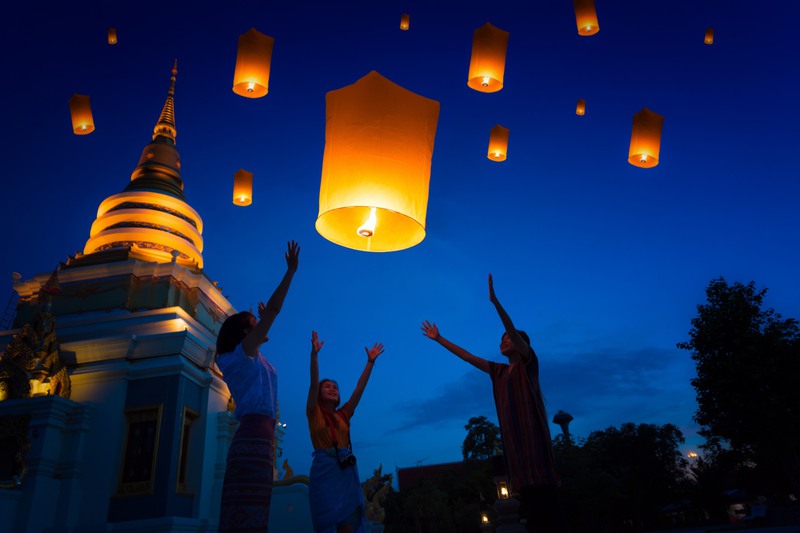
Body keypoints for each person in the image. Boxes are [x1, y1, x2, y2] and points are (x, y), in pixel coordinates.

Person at [420, 274, 567, 533]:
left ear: (522, 345)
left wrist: (495, 302)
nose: (504, 340)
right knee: (532, 516)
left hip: (537, 455)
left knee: (550, 515)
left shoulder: (528, 365)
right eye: (501, 339)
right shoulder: (498, 372)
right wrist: (439, 338)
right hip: (518, 456)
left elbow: (512, 331)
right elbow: (467, 356)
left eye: (508, 338)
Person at [215, 240, 299, 532]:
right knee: (243, 514)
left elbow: (266, 326)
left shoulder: (253, 357)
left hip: (264, 442)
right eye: (255, 322)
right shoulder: (241, 357)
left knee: (257, 513)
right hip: (251, 438)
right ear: (245, 332)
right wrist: (290, 273)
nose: (260, 324)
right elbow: (273, 311)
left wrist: (261, 327)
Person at [306, 330, 384, 533]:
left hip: (345, 471)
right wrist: (314, 355)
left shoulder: (344, 414)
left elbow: (359, 389)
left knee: (349, 522)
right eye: (327, 387)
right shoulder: (314, 412)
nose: (332, 389)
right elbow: (314, 383)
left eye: (335, 387)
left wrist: (370, 362)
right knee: (328, 521)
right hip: (325, 470)